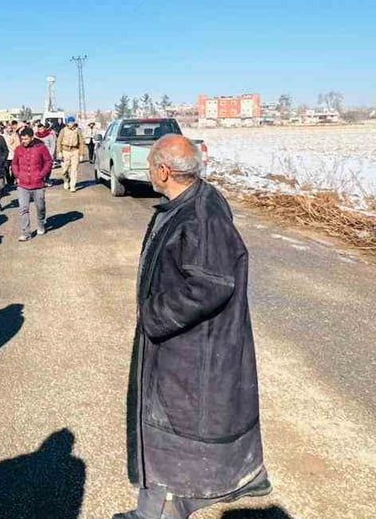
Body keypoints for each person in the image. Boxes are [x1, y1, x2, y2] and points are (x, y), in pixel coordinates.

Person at [115, 136, 270, 519]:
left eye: (151, 166)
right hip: (177, 346)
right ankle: (148, 512)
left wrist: (154, 316)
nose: (149, 172)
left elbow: (211, 284)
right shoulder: (188, 202)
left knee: (174, 432)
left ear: (164, 171)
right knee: (158, 430)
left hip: (191, 350)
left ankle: (166, 512)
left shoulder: (201, 216)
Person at [10, 127, 52, 242]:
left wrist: (42, 174)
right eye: (22, 139)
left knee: (40, 207)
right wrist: (17, 175)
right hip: (23, 185)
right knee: (23, 209)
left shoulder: (41, 148)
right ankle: (26, 233)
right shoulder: (18, 150)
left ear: (32, 138)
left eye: (26, 139)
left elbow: (48, 161)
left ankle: (41, 224)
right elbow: (14, 164)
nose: (23, 141)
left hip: (38, 184)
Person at [57, 116, 85, 192]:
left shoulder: (78, 130)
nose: (71, 124)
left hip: (75, 151)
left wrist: (81, 154)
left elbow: (81, 142)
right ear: (67, 123)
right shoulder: (63, 130)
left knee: (74, 169)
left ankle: (73, 185)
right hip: (65, 151)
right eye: (69, 122)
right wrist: (59, 152)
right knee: (64, 170)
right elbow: (59, 141)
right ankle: (66, 180)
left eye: (72, 122)